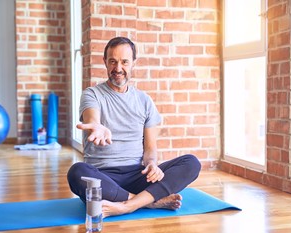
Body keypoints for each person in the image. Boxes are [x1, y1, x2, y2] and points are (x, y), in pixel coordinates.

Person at [67, 36, 201, 217]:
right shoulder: (92, 94)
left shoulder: (144, 100)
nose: (118, 68)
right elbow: (93, 118)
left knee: (191, 163)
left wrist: (152, 164)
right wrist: (97, 126)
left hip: (138, 175)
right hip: (104, 176)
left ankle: (127, 205)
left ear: (133, 63)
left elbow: (150, 148)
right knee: (77, 172)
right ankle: (149, 202)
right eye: (113, 62)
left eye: (124, 62)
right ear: (105, 62)